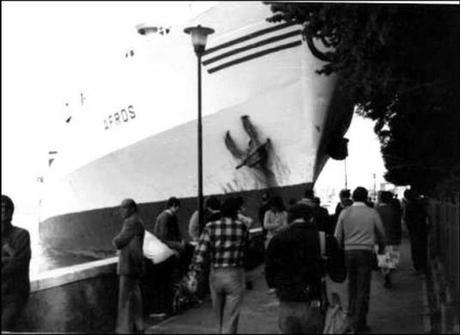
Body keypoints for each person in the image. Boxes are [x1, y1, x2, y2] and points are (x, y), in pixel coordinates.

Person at [189, 197, 249, 334]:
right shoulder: (242, 227)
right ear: (236, 211)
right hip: (235, 274)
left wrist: (193, 273)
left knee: (219, 317)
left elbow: (200, 252)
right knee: (231, 318)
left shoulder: (210, 227)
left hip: (216, 274)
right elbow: (246, 248)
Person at [265, 202, 324, 334]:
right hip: (313, 296)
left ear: (289, 219)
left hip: (286, 295)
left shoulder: (278, 238)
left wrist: (273, 286)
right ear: (311, 218)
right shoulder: (323, 238)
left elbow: (269, 266)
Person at [334, 187, 386, 333]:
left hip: (348, 252)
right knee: (363, 287)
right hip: (365, 252)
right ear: (366, 197)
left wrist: (340, 251)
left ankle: (350, 319)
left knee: (352, 285)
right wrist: (381, 248)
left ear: (353, 197)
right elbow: (381, 233)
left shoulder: (345, 212)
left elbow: (337, 235)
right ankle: (360, 323)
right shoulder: (372, 212)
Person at [112, 198, 145, 334]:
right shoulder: (139, 221)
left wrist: (116, 243)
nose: (121, 211)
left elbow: (118, 241)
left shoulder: (130, 222)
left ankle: (124, 329)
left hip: (128, 265)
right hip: (136, 264)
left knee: (125, 300)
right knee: (136, 298)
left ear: (131, 208)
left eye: (123, 208)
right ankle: (139, 326)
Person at [1, 195, 31, 331]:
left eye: (5, 208)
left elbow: (18, 264)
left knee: (4, 327)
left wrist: (10, 260)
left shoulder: (22, 235)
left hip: (14, 294)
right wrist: (8, 258)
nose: (2, 211)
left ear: (11, 212)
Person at [151, 196, 185, 316]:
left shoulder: (169, 217)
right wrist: (179, 246)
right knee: (166, 282)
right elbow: (163, 238)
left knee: (168, 281)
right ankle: (167, 308)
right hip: (164, 253)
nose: (178, 210)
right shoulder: (166, 217)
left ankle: (169, 307)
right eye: (177, 208)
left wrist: (179, 242)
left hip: (166, 251)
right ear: (173, 206)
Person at [188, 196, 221, 301]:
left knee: (206, 268)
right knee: (205, 269)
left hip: (204, 242)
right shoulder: (201, 215)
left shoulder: (203, 214)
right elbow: (193, 231)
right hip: (202, 241)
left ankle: (205, 293)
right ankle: (203, 293)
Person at [376, 191, 402, 288]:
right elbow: (398, 225)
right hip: (393, 239)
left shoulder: (376, 210)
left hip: (380, 240)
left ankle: (387, 277)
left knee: (383, 261)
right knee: (392, 260)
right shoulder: (394, 210)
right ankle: (388, 276)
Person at [402, 189, 428, 273]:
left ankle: (417, 267)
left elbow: (407, 219)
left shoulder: (409, 206)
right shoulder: (421, 205)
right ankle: (423, 267)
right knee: (422, 249)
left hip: (414, 230)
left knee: (416, 249)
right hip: (422, 230)